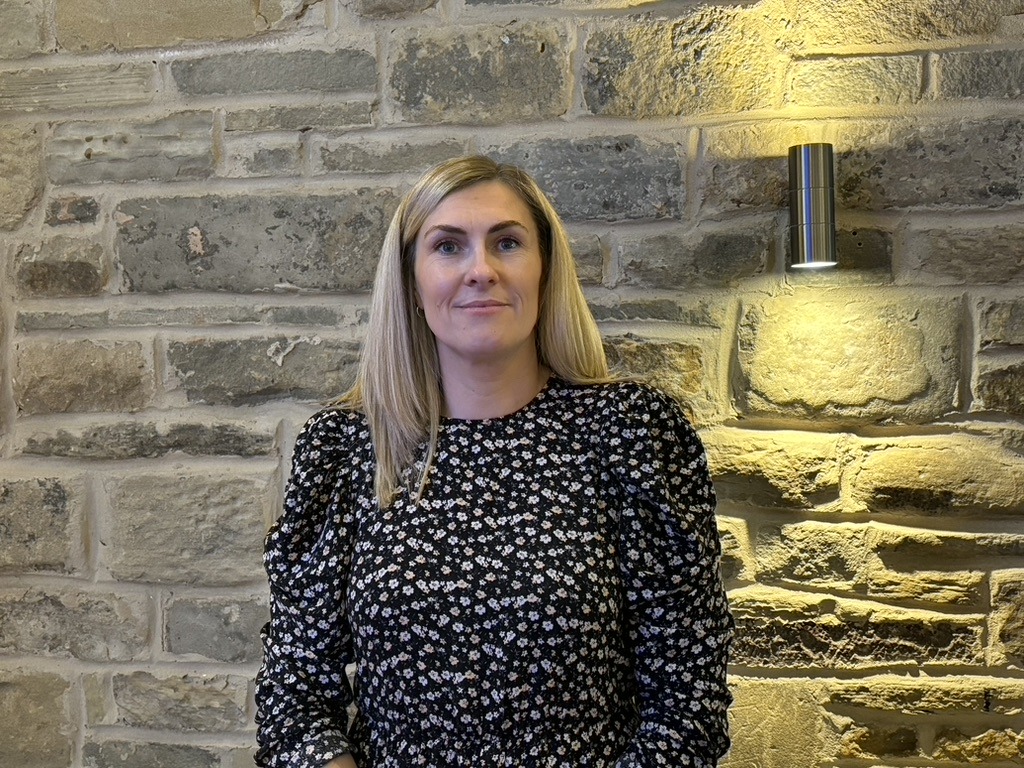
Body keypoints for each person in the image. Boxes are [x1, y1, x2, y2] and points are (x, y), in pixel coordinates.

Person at [254, 155, 733, 768]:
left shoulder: (630, 433)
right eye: (448, 247)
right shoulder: (347, 447)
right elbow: (294, 698)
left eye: (507, 242)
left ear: (545, 270)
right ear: (411, 282)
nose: (481, 270)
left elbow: (686, 701)